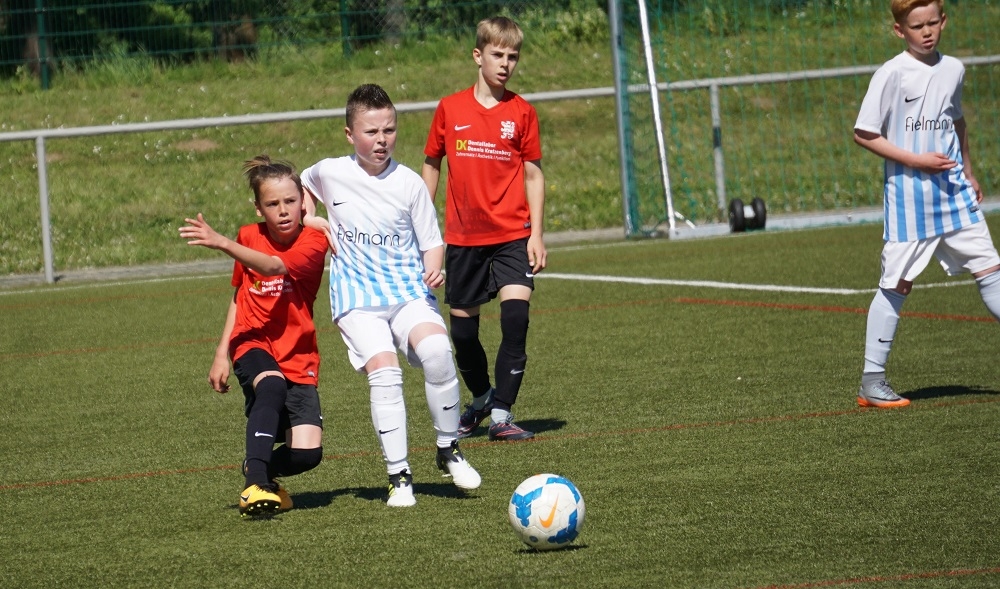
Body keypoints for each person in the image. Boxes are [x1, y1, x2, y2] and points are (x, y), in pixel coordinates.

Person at [301, 83, 480, 507]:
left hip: (406, 291)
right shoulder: (330, 171)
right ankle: (399, 476)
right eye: (371, 132)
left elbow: (431, 242)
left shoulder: (410, 184)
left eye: (389, 130)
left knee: (438, 352)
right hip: (357, 299)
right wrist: (310, 218)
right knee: (385, 371)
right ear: (350, 134)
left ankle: (448, 448)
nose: (381, 140)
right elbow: (303, 184)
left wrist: (434, 265)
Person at [853, 0, 1000, 408]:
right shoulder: (892, 73)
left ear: (943, 21)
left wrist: (969, 172)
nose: (927, 31)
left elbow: (956, 121)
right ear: (899, 30)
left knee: (991, 270)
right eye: (917, 26)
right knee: (897, 285)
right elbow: (864, 133)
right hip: (910, 201)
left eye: (933, 22)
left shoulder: (954, 69)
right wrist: (917, 161)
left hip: (954, 194)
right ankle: (872, 382)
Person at [179, 155, 329, 517]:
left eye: (290, 201)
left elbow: (275, 266)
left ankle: (260, 469)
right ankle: (255, 485)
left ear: (303, 201)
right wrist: (222, 354)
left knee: (308, 454)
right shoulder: (248, 235)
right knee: (271, 385)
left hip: (297, 352)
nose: (283, 210)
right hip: (252, 339)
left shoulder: (314, 240)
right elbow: (240, 294)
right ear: (258, 208)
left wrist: (221, 243)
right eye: (272, 204)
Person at [421, 16, 547, 442]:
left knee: (516, 318)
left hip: (512, 234)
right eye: (497, 54)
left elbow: (534, 175)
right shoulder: (450, 108)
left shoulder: (523, 112)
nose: (506, 63)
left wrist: (536, 234)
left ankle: (502, 416)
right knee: (462, 333)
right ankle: (481, 400)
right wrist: (423, 224)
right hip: (463, 238)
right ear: (478, 56)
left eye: (513, 56)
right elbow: (432, 164)